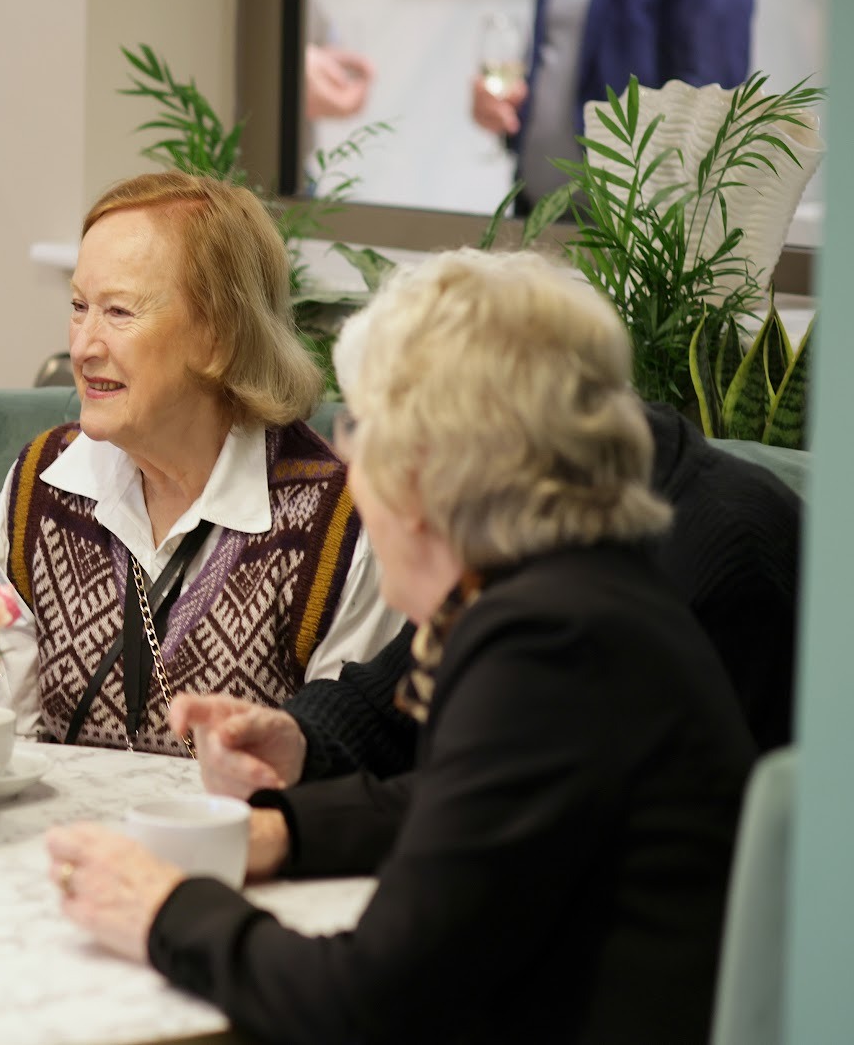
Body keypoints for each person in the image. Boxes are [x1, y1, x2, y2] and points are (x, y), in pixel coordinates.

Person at [46, 248, 756, 1044]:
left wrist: (162, 909)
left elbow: (366, 998)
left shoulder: (546, 643)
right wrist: (282, 831)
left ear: (428, 469)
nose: (347, 455)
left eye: (363, 427)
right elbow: (464, 802)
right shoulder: (581, 596)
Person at [0, 171, 402, 755]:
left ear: (220, 337)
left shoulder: (338, 526)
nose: (82, 347)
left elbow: (337, 770)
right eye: (80, 307)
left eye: (120, 312)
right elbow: (2, 740)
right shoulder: (39, 487)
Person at [200, 398, 802, 793]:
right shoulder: (527, 502)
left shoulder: (727, 554)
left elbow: (512, 795)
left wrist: (291, 838)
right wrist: (298, 740)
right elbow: (395, 700)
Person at [472, 0, 757, 211]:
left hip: (632, 242)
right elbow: (555, 61)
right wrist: (509, 110)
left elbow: (710, 99)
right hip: (538, 216)